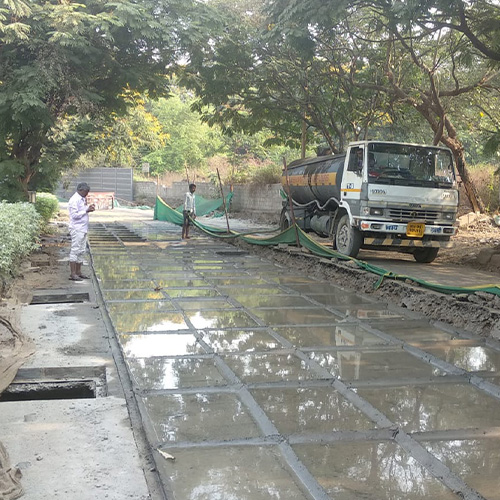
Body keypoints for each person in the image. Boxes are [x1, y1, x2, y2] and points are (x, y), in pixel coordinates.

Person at [68, 182, 95, 281]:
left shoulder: (82, 199)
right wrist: (86, 211)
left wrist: (88, 208)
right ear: (80, 190)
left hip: (83, 228)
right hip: (77, 228)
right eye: (86, 192)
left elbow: (82, 210)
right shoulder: (74, 200)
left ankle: (78, 272)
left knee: (81, 250)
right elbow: (74, 215)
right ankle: (73, 273)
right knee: (75, 250)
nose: (87, 194)